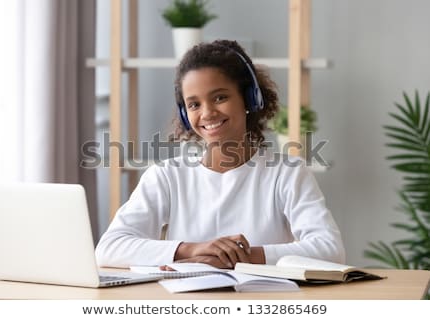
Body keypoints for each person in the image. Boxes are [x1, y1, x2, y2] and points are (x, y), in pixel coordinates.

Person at [95, 40, 345, 269]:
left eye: (220, 97)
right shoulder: (166, 176)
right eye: (194, 104)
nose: (207, 113)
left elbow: (330, 250)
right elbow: (109, 248)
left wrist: (238, 256)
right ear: (185, 114)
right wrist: (192, 249)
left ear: (250, 99)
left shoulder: (287, 172)